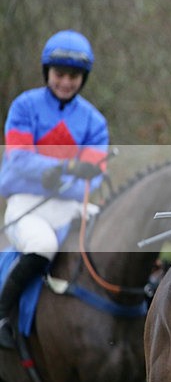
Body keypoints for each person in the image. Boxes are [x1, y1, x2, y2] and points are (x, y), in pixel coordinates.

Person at [0, 30, 108, 349]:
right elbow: (18, 158)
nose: (65, 82)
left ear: (83, 78)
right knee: (43, 243)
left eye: (74, 76)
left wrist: (63, 178)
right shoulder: (24, 106)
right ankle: (3, 313)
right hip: (26, 202)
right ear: (47, 71)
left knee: (113, 230)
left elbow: (95, 177)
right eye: (60, 74)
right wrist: (61, 170)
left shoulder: (94, 121)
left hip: (70, 204)